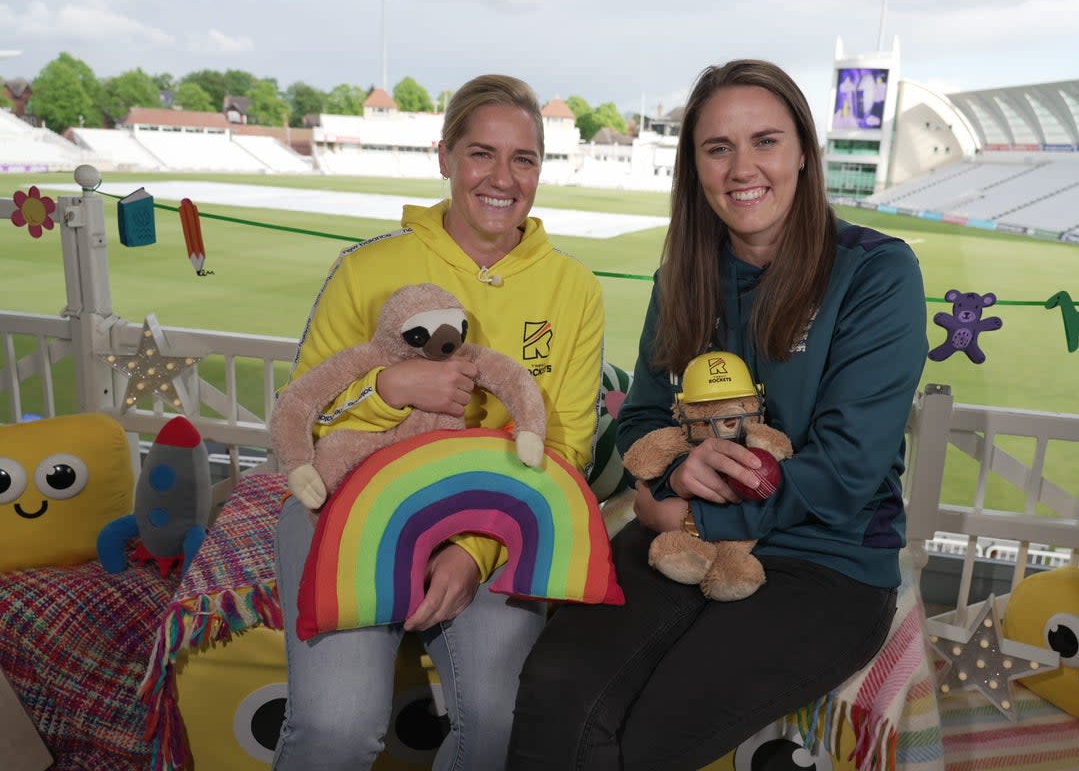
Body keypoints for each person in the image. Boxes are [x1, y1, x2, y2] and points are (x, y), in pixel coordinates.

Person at [507, 59, 928, 770]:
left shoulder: (877, 273)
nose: (742, 168)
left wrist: (694, 514)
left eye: (764, 141)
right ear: (694, 165)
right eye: (717, 147)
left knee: (649, 737)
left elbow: (848, 471)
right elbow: (642, 416)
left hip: (824, 564)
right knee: (556, 694)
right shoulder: (683, 274)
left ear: (802, 152)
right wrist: (677, 464)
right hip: (681, 544)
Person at [272, 74, 605, 771]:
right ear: (445, 157)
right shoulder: (368, 268)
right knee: (337, 728)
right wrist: (390, 387)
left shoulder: (573, 288)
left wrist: (476, 550)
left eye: (524, 159)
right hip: (349, 510)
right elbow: (303, 415)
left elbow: (567, 443)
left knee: (500, 718)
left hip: (494, 526)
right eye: (482, 153)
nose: (503, 178)